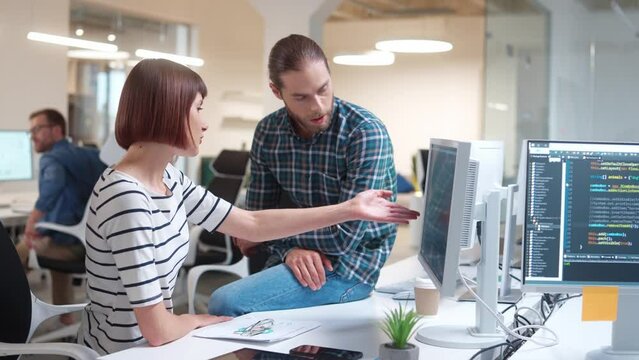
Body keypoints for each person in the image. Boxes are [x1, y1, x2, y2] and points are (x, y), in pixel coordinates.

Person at [77, 58, 417, 355]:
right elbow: (158, 330)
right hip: (127, 352)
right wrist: (198, 319)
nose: (205, 122)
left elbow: (251, 223)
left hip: (159, 344)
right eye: (198, 109)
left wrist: (350, 209)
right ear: (166, 112)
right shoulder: (128, 199)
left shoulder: (167, 178)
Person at [208, 34, 398, 317]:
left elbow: (345, 238)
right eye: (301, 97)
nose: (318, 106)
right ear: (276, 91)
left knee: (226, 303)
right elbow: (256, 221)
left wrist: (281, 239)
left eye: (323, 89)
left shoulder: (364, 132)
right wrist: (289, 249)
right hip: (290, 258)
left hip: (351, 266)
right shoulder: (268, 132)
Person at [15, 108, 106, 325]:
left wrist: (31, 222)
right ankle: (66, 319)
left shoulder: (52, 157)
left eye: (37, 129)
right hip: (94, 246)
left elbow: (50, 191)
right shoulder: (91, 155)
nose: (32, 136)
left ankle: (9, 323)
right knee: (55, 241)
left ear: (56, 130)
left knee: (16, 254)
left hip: (72, 247)